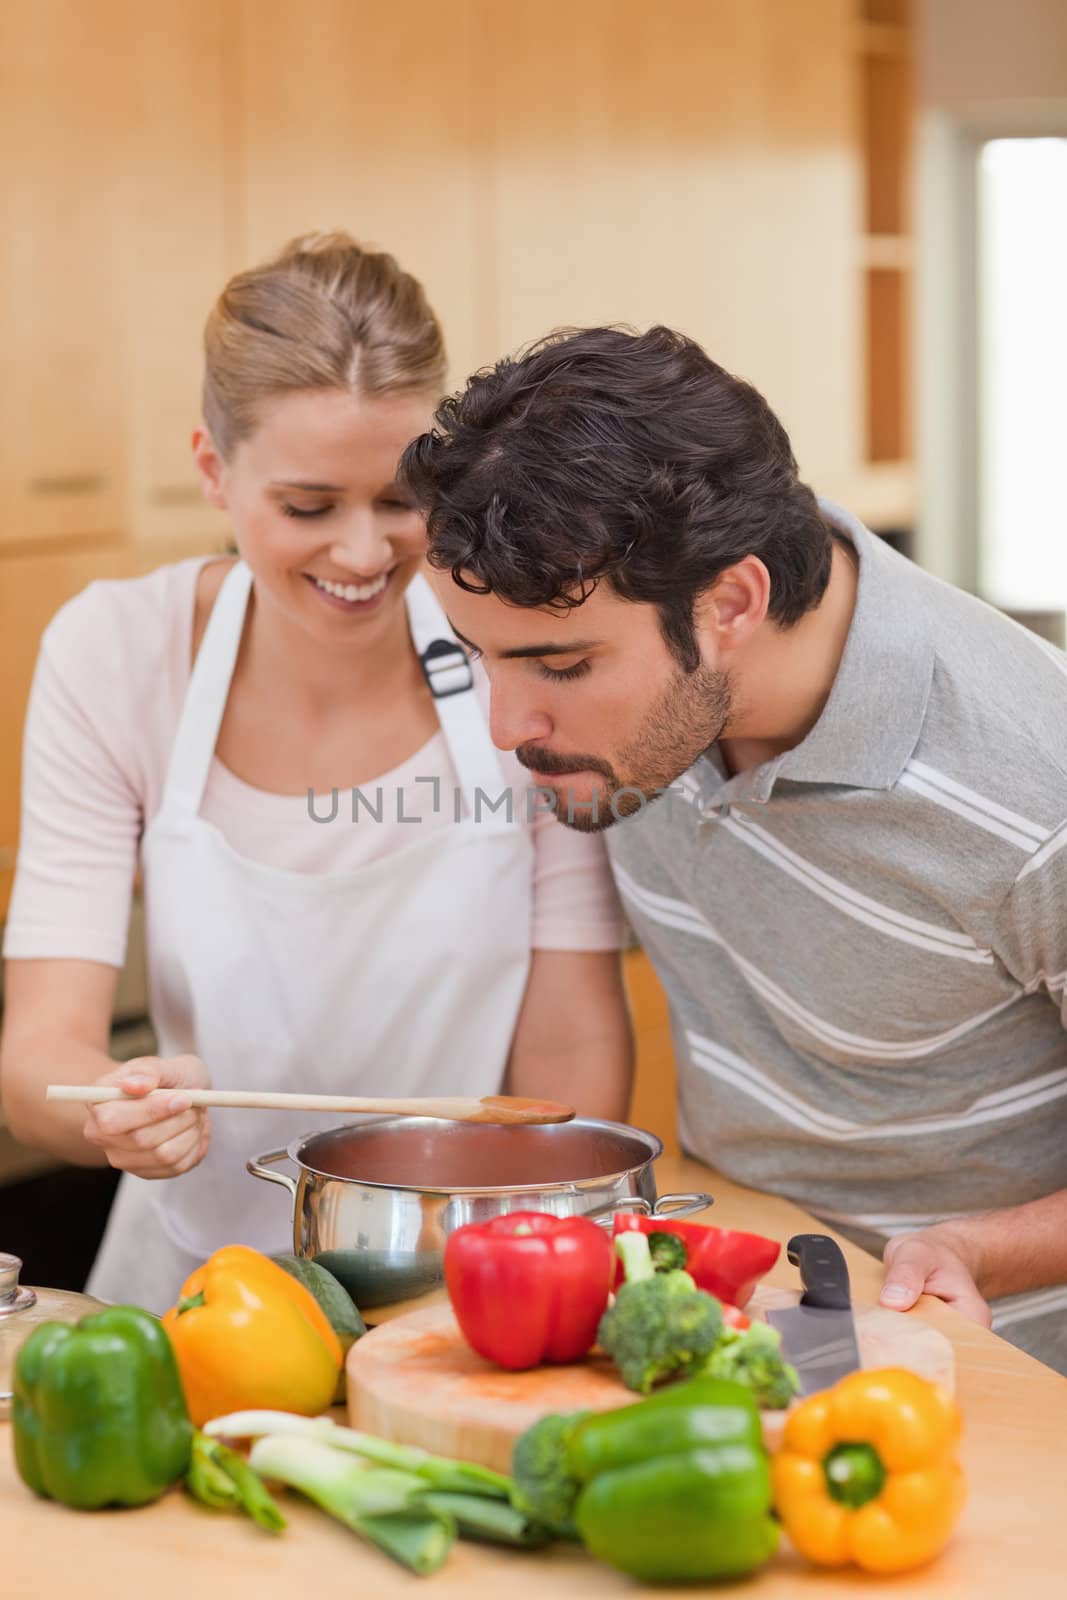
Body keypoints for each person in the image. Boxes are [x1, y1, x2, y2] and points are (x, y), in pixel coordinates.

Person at [398, 323, 1067, 1372]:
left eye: (559, 665)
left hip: (989, 1375)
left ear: (731, 603)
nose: (505, 724)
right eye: (477, 657)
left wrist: (974, 1246)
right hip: (728, 1331)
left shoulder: (1033, 785)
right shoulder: (643, 719)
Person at [0, 240, 632, 1313]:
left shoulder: (517, 650)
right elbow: (36, 1068)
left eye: (400, 498)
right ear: (212, 469)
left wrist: (526, 1272)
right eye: (306, 505)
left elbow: (570, 1041)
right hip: (195, 1300)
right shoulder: (117, 654)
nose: (360, 552)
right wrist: (109, 1107)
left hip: (469, 1290)